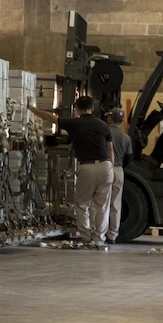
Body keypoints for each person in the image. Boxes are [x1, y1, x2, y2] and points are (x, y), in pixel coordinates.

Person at [61, 95, 115, 246]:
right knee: (102, 205)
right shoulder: (103, 125)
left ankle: (85, 236)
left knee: (82, 204)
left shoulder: (74, 123)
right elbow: (110, 150)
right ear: (92, 108)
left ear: (77, 109)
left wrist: (31, 108)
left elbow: (52, 118)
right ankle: (99, 239)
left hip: (87, 166)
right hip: (106, 166)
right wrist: (112, 169)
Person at [103, 105, 133, 245]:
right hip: (119, 169)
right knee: (115, 204)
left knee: (100, 202)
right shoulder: (126, 138)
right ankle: (112, 235)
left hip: (104, 168)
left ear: (109, 117)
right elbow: (129, 158)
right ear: (121, 121)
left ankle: (99, 233)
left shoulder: (103, 133)